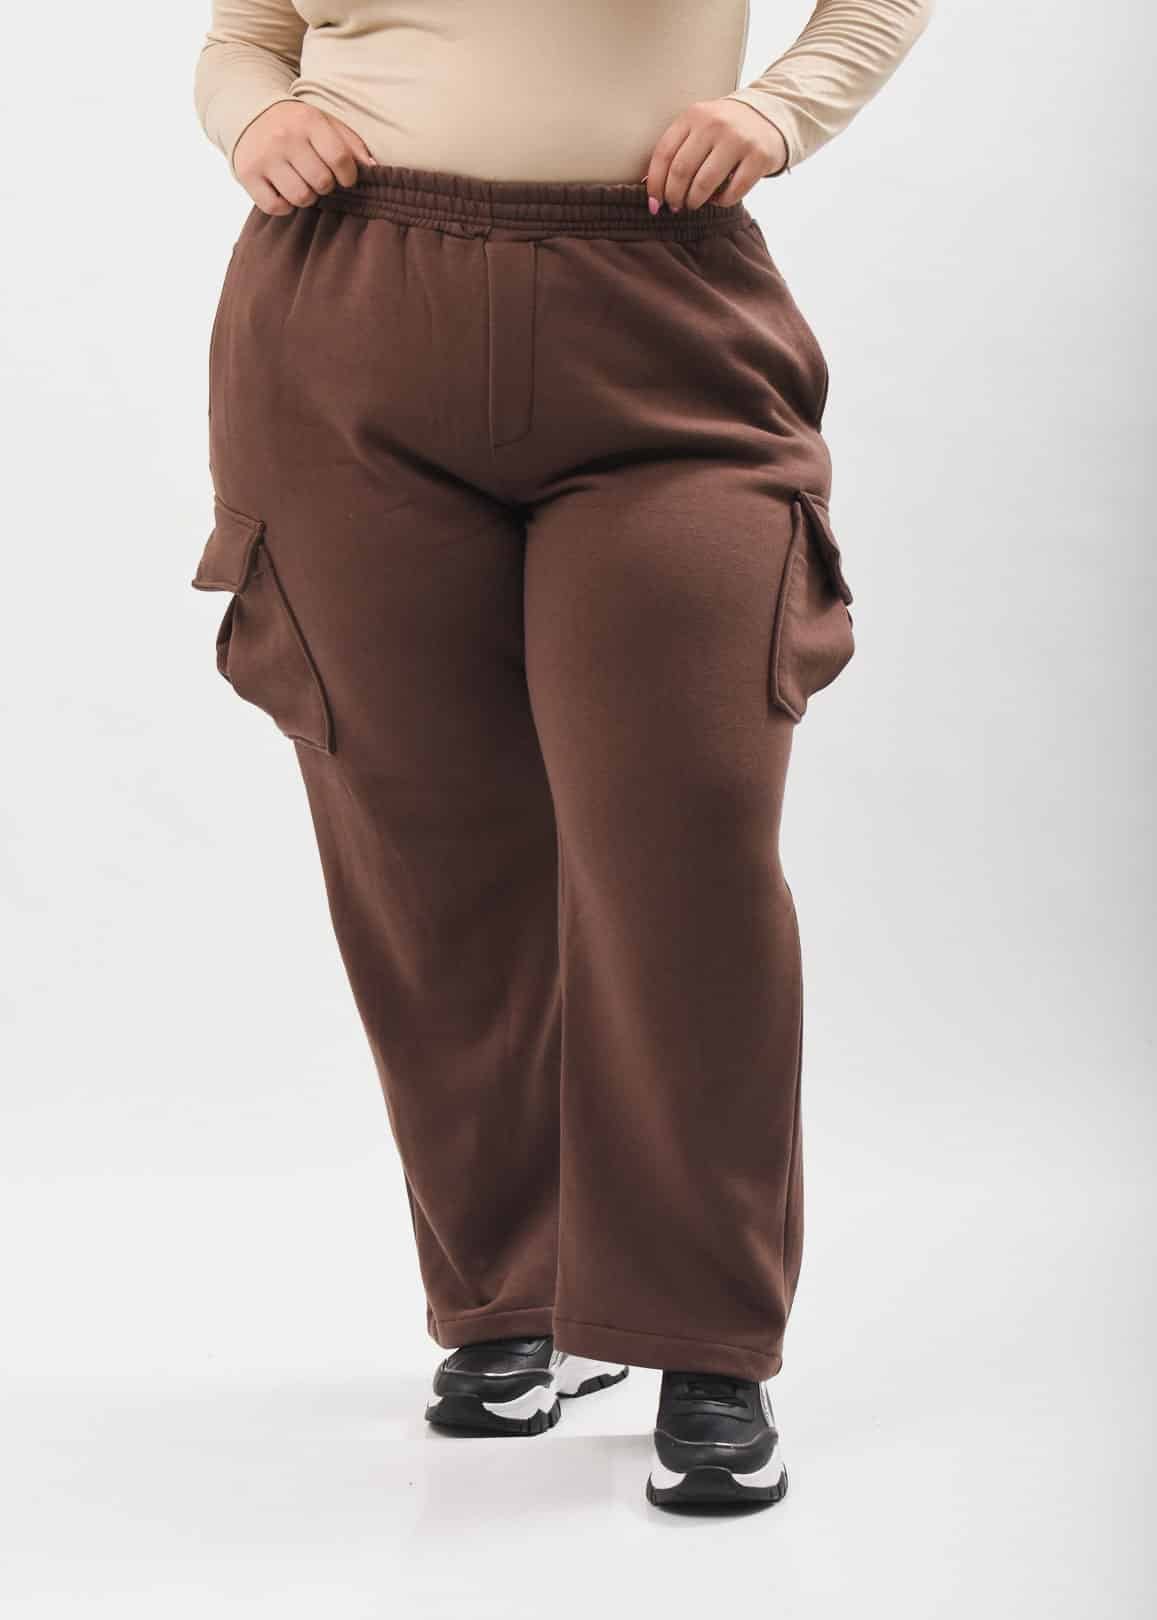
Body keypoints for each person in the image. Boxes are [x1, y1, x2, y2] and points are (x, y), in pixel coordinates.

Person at [192, 0, 933, 1510]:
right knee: (430, 862)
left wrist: (780, 108)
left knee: (685, 856)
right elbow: (247, 34)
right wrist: (252, 118)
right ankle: (507, 1304)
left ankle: (703, 1338)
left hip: (660, 315)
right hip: (343, 326)